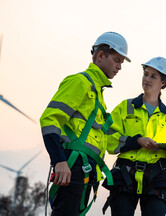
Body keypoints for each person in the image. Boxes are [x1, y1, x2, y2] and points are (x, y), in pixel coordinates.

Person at [40, 31, 130, 216]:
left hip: (85, 171)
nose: (120, 66)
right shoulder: (80, 82)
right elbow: (49, 119)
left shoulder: (97, 92)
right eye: (117, 60)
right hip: (71, 167)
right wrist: (59, 161)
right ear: (101, 56)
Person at [102, 57, 166, 216]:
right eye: (146, 74)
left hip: (157, 178)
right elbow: (107, 138)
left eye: (153, 76)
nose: (147, 79)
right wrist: (136, 141)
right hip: (125, 174)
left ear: (163, 82)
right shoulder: (125, 107)